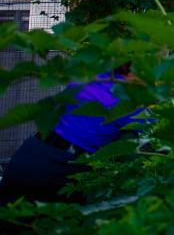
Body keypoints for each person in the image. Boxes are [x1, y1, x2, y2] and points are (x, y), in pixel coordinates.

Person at [0, 66, 146, 205]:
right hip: (60, 170)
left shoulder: (93, 75)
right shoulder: (132, 100)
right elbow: (157, 132)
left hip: (29, 154)